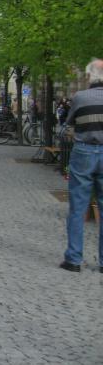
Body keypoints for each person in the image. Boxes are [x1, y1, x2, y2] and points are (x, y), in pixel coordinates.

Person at [61, 58, 103, 274]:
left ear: (90, 76)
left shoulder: (80, 97)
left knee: (78, 207)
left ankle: (74, 259)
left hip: (84, 151)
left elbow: (69, 122)